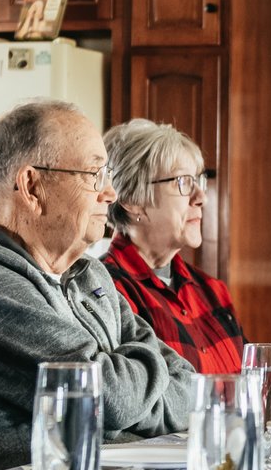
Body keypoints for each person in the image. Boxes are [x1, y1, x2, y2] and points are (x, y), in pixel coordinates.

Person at [0, 100, 195, 469]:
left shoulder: (90, 273)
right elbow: (111, 397)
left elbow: (187, 385)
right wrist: (142, 379)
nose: (110, 193)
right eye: (93, 175)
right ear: (31, 186)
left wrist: (127, 392)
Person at [100, 119, 245, 373]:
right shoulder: (108, 292)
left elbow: (255, 388)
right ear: (133, 199)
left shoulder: (213, 291)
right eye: (182, 182)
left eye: (198, 181)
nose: (202, 197)